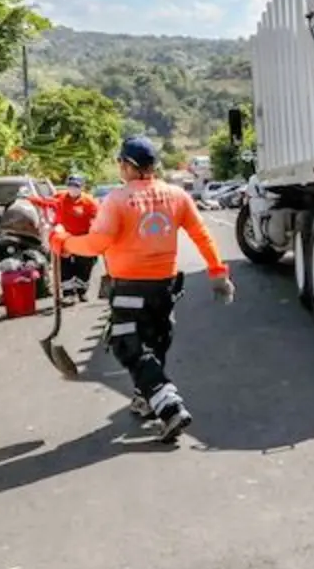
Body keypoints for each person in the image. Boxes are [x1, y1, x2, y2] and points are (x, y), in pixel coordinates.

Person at [49, 137, 235, 442]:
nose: (119, 168)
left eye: (121, 163)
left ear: (129, 166)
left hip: (129, 286)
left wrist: (63, 241)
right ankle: (145, 396)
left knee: (128, 345)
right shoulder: (176, 195)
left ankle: (168, 404)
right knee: (156, 339)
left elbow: (97, 244)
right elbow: (201, 234)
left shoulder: (118, 200)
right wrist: (217, 273)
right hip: (165, 285)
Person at [29, 174, 100, 302]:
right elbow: (46, 202)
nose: (73, 189)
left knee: (84, 264)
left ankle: (82, 291)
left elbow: (97, 218)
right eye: (71, 186)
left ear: (82, 187)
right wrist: (30, 199)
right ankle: (68, 293)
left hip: (82, 238)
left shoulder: (89, 201)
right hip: (64, 238)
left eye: (76, 186)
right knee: (64, 264)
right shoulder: (60, 197)